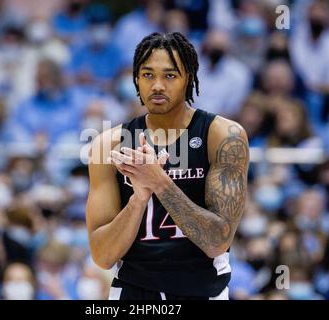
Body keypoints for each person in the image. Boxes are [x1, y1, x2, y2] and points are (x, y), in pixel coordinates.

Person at [86, 32, 249, 300]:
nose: (157, 85)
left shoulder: (222, 135)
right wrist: (138, 199)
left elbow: (217, 242)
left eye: (170, 75)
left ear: (188, 79)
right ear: (136, 79)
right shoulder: (110, 144)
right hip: (133, 290)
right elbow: (102, 256)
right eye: (148, 75)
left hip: (202, 289)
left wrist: (159, 182)